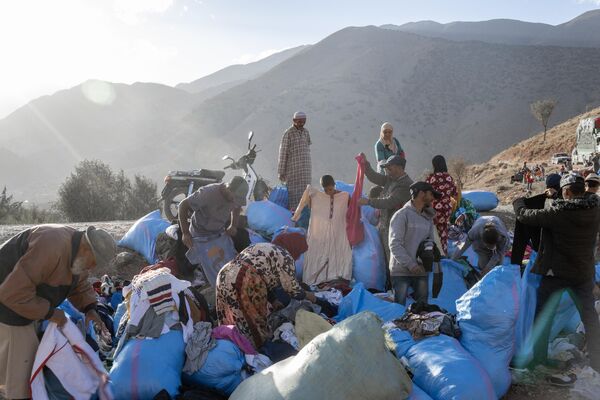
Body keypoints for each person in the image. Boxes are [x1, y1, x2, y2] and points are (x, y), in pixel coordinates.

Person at [0, 225, 116, 400]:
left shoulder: (77, 252)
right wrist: (50, 313)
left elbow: (80, 284)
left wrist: (90, 309)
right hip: (9, 308)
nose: (92, 267)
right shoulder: (51, 245)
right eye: (94, 261)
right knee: (22, 381)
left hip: (24, 305)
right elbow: (12, 294)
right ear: (86, 248)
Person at [513, 173, 600, 372]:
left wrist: (518, 201)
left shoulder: (557, 214)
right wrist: (556, 197)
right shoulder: (595, 209)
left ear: (567, 191)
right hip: (584, 274)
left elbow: (524, 215)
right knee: (590, 318)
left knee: (542, 316)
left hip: (557, 275)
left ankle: (538, 359)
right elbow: (576, 204)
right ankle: (597, 361)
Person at [215, 233, 319, 348]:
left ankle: (232, 346)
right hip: (245, 280)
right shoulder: (285, 256)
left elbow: (263, 274)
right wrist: (311, 296)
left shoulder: (267, 248)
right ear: (294, 247)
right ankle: (256, 351)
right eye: (300, 253)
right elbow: (293, 290)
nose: (299, 257)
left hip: (225, 274)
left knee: (231, 314)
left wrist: (273, 300)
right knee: (253, 320)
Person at [178, 176, 249, 287]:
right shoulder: (208, 192)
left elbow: (237, 207)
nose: (235, 202)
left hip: (218, 232)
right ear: (228, 189)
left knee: (234, 259)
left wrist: (233, 225)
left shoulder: (235, 199)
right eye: (234, 198)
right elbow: (183, 205)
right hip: (200, 233)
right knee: (208, 266)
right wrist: (185, 233)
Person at [292, 175, 352, 285]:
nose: (328, 192)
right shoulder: (317, 196)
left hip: (339, 229)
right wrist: (296, 216)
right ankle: (318, 279)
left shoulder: (344, 196)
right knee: (318, 253)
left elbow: (352, 210)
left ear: (334, 186)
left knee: (339, 252)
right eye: (326, 190)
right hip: (320, 230)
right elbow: (306, 198)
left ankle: (337, 278)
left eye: (330, 189)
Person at [388, 181, 439, 305]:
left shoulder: (428, 218)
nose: (432, 198)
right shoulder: (401, 215)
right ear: (421, 193)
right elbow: (394, 244)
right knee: (399, 309)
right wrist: (412, 265)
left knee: (422, 311)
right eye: (430, 194)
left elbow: (430, 243)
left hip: (421, 272)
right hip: (401, 272)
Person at [357, 154, 413, 267]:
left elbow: (389, 202)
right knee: (386, 257)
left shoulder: (405, 185)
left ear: (399, 168)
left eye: (389, 167)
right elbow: (374, 177)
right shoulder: (391, 179)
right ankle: (389, 281)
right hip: (386, 224)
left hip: (397, 228)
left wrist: (368, 201)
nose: (387, 170)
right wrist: (366, 165)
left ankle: (395, 281)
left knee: (393, 258)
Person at [510, 173, 562, 266]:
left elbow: (523, 217)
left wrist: (518, 202)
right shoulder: (577, 207)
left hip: (545, 255)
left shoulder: (537, 207)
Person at [278, 111, 312, 210]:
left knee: (306, 193)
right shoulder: (288, 133)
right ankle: (293, 219)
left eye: (303, 121)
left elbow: (307, 147)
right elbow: (283, 153)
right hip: (293, 170)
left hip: (305, 170)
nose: (302, 123)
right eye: (299, 121)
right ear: (294, 120)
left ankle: (305, 217)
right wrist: (281, 171)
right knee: (293, 195)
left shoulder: (306, 132)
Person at [425, 155, 458, 254]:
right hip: (447, 209)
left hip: (434, 209)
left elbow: (424, 193)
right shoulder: (449, 177)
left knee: (432, 232)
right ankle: (444, 252)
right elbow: (455, 194)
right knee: (443, 231)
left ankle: (434, 253)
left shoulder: (432, 178)